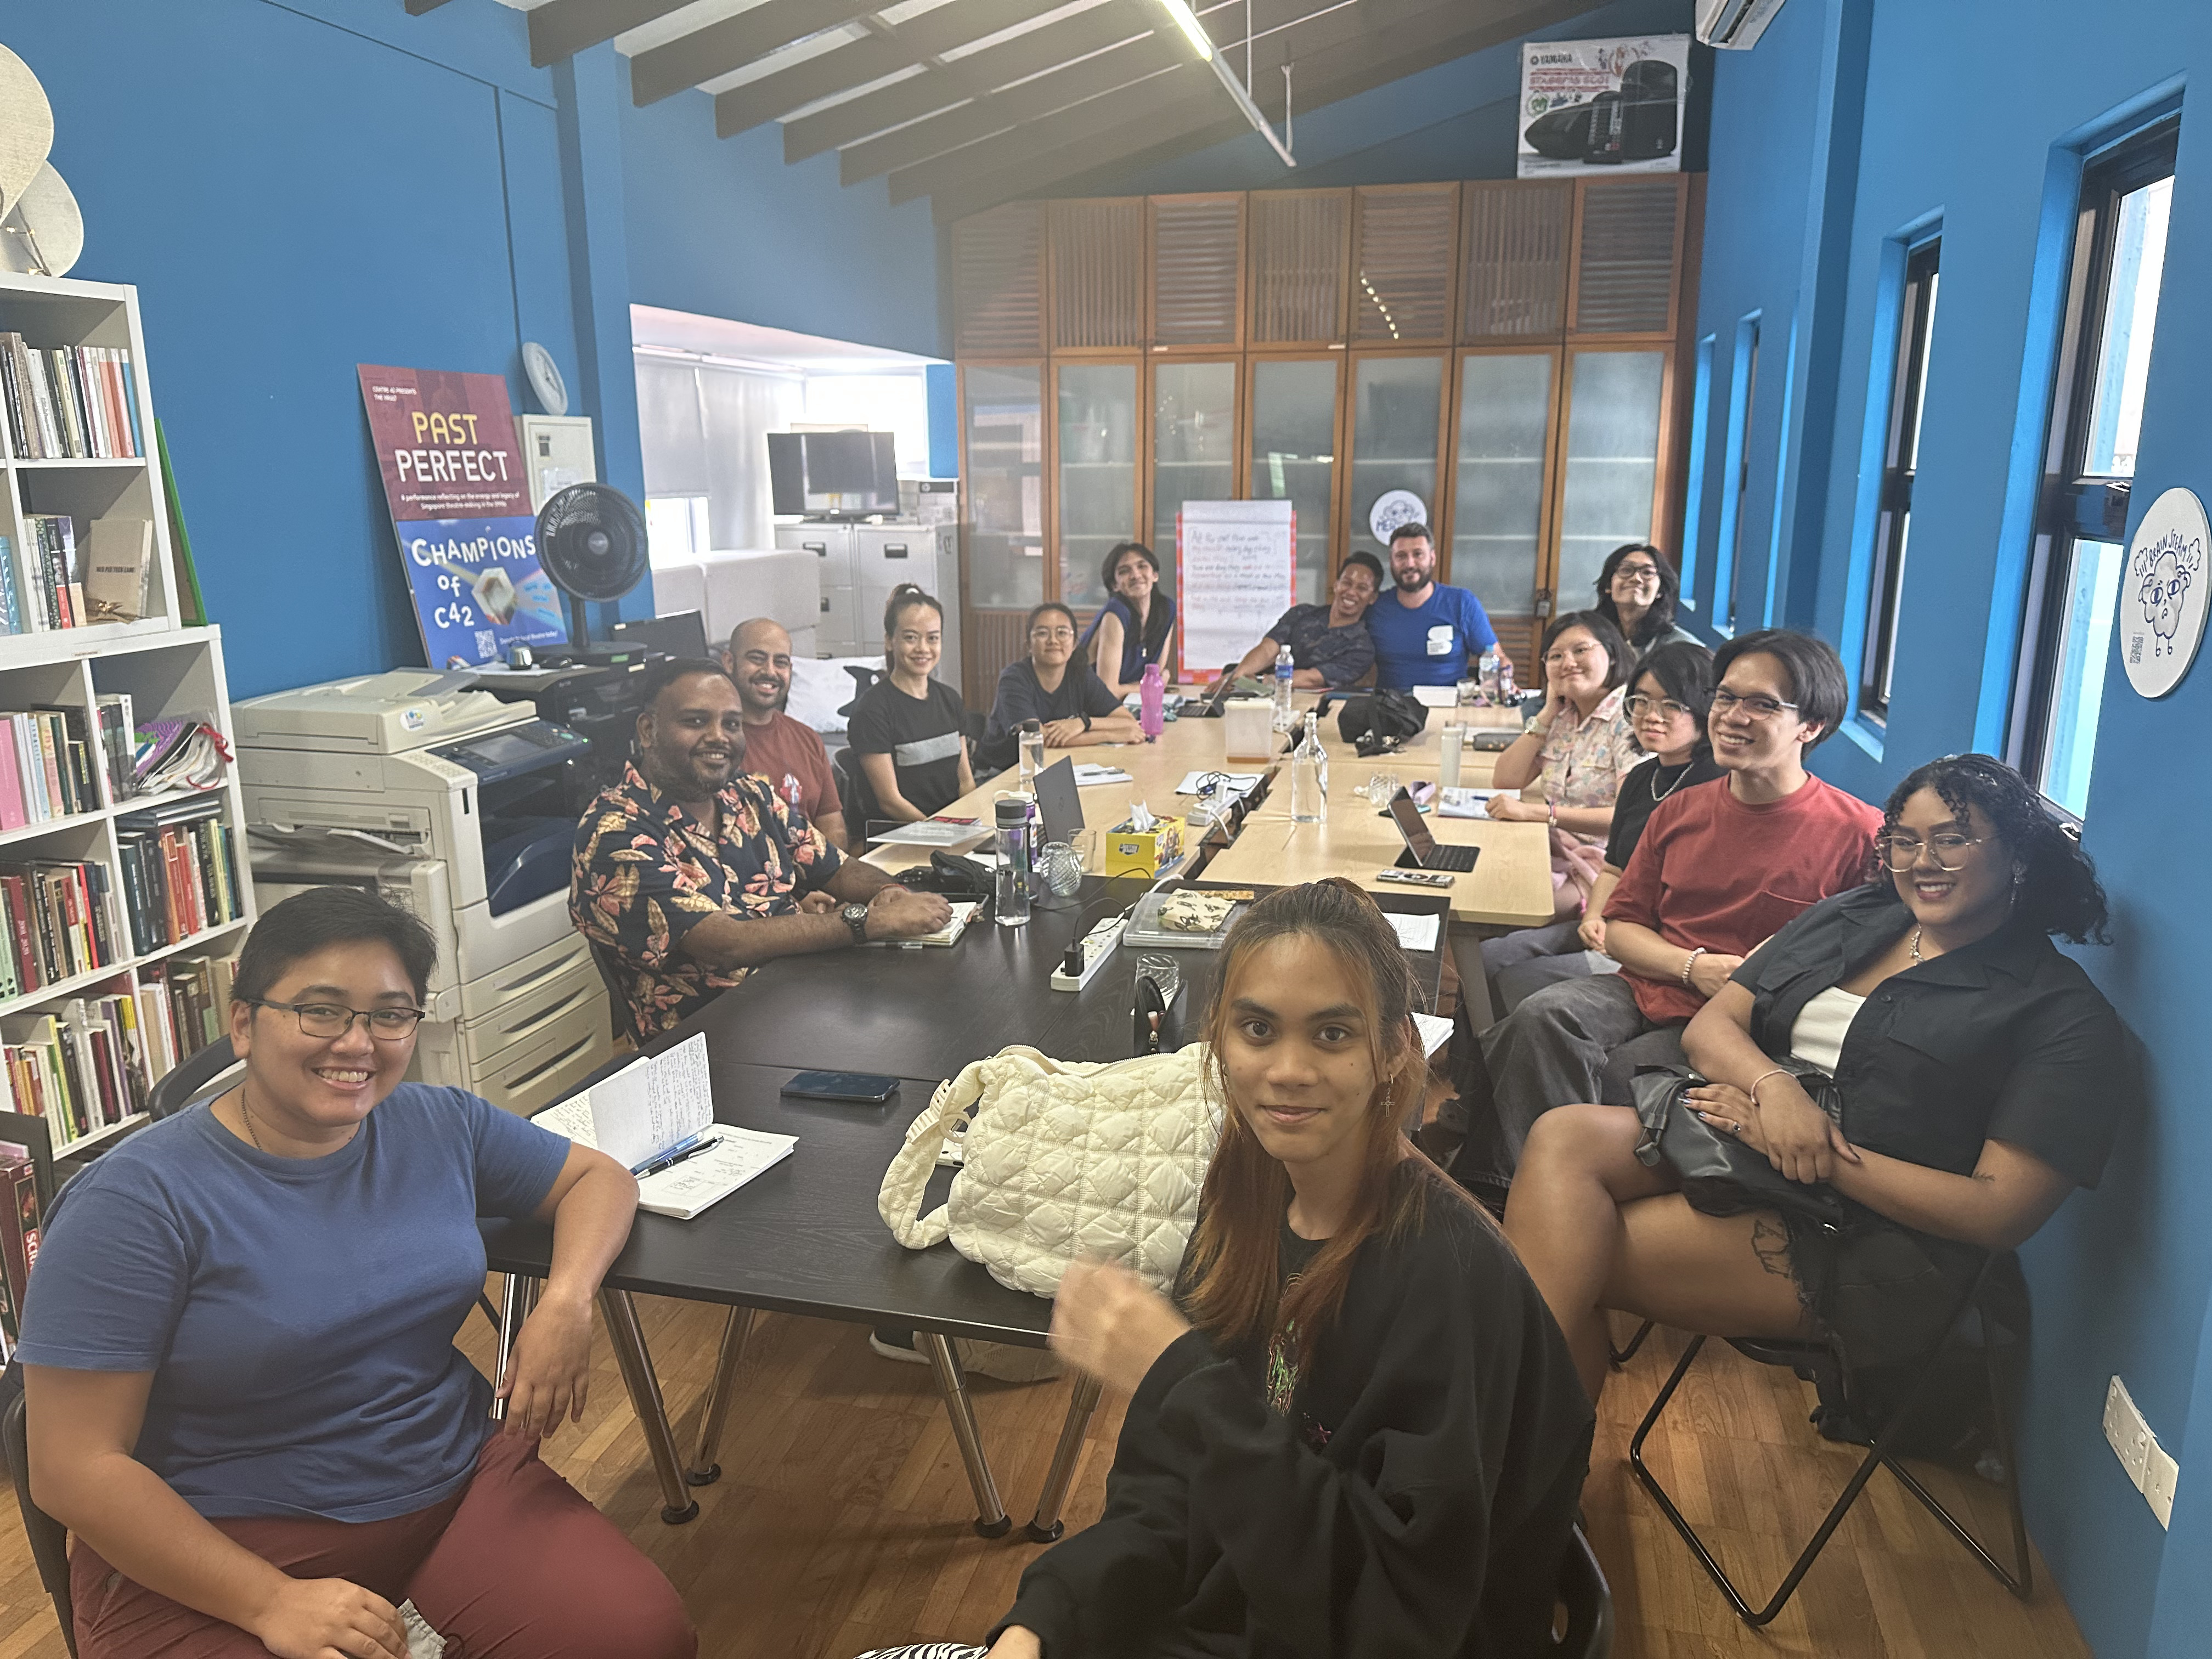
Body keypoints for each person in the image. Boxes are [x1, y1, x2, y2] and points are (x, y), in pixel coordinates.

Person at [856, 879, 1593, 1659]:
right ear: (1219, 1039)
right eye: (1257, 1029)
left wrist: (1178, 1379)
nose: (1287, 1069)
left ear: (1394, 1051)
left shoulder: (1449, 1283)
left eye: (1333, 1035)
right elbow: (1168, 1489)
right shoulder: (1247, 1198)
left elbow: (1392, 1618)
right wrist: (1047, 1620)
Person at [14, 886, 696, 1659]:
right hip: (219, 1538)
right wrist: (270, 1601)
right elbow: (73, 1469)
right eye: (321, 1010)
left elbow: (598, 1179)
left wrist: (567, 1303)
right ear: (243, 1024)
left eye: (389, 1015)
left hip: (447, 1479)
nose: (357, 1043)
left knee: (636, 1638)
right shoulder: (133, 1202)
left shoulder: (436, 1122)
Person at [1503, 753, 2126, 1403]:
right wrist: (1777, 1094)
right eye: (1904, 840)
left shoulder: (2061, 1015)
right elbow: (1711, 1027)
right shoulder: (1855, 914)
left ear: (2018, 853)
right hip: (1749, 1144)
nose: (1921, 861)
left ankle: (1514, 1476)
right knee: (1564, 1135)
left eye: (1952, 838)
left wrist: (1817, 1151)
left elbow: (1997, 1213)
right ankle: (1521, 1476)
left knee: (1563, 1257)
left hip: (1872, 1236)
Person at [1460, 629, 1883, 1186]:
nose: (1733, 716)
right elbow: (1621, 929)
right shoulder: (1680, 811)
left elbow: (1863, 964)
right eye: (1727, 698)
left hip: (1741, 1026)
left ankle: (1569, 1188)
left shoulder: (1859, 833)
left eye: (1762, 705)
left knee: (1617, 1073)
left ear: (1811, 726)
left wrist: (1746, 982)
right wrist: (1695, 966)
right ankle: (1529, 1186)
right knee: (1539, 1018)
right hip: (1648, 986)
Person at [571, 658, 951, 1038]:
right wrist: (871, 921)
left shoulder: (750, 794)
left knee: (938, 1023)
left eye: (731, 724)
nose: (719, 736)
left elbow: (835, 867)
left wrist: (890, 894)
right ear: (649, 730)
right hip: (718, 1045)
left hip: (808, 1002)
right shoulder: (616, 832)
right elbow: (727, 943)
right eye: (696, 721)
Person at [1477, 641, 1721, 1013]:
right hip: (1613, 920)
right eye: (1641, 701)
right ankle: (1473, 1071)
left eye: (1672, 704)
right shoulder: (1643, 777)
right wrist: (1594, 916)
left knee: (1519, 979)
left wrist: (1619, 930)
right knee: (1489, 956)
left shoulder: (1717, 785)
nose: (1651, 716)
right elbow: (1614, 867)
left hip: (1659, 944)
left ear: (1705, 709)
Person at [1482, 610, 1641, 919]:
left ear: (1611, 653)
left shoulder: (1629, 717)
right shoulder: (1565, 716)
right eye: (1555, 656)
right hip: (1553, 849)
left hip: (1605, 866)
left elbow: (1627, 816)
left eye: (1581, 650)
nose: (1568, 663)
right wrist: (1545, 715)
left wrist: (1538, 813)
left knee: (1500, 900)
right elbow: (1506, 779)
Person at [848, 584, 977, 822]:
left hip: (952, 830)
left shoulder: (950, 699)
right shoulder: (872, 711)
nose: (923, 649)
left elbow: (966, 780)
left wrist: (968, 824)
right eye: (910, 638)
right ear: (889, 641)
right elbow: (890, 801)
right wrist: (941, 833)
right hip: (901, 838)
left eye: (933, 638)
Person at [723, 616, 848, 849]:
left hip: (815, 880)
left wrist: (831, 881)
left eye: (780, 663)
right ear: (729, 662)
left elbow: (833, 826)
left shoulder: (807, 739)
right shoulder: (715, 744)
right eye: (757, 659)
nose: (769, 671)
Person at [978, 601, 1142, 774]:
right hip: (1001, 773)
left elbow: (1128, 723)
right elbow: (1038, 740)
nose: (1053, 641)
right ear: (1029, 645)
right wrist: (1111, 735)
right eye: (1042, 633)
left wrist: (1083, 723)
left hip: (1052, 767)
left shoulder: (1080, 675)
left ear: (1075, 643)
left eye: (1062, 633)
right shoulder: (1014, 679)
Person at [1364, 523, 1506, 691]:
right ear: (1391, 561)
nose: (1410, 564)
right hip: (1391, 709)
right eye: (1401, 556)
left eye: (1418, 554)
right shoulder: (1375, 608)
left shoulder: (1461, 603)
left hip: (1449, 708)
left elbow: (1497, 657)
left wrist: (1503, 679)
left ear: (1432, 558)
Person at [1227, 551, 1384, 690]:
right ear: (1336, 585)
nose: (1351, 592)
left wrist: (1263, 682)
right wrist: (1236, 677)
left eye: (1362, 588)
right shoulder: (1301, 613)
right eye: (1347, 583)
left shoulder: (1362, 649)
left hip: (1308, 709)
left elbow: (1313, 679)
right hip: (1257, 699)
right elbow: (1268, 649)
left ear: (1373, 598)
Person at [1080, 541, 1177, 698]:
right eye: (1124, 571)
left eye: (1142, 566)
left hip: (1128, 706)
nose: (1136, 575)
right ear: (1115, 586)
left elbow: (1156, 673)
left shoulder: (1166, 609)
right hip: (1085, 707)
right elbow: (1108, 692)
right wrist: (1156, 685)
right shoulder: (1116, 614)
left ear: (1155, 575)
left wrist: (1153, 683)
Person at [1592, 543, 1699, 663]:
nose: (1636, 578)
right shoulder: (1592, 638)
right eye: (1626, 570)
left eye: (1647, 573)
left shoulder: (1682, 648)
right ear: (1608, 585)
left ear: (1660, 591)